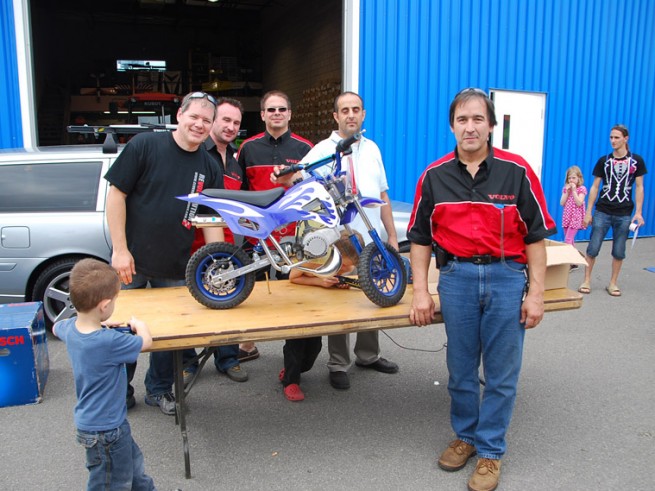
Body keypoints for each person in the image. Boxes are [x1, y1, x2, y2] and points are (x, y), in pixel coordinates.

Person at [407, 88, 556, 491]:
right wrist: (421, 291)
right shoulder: (434, 176)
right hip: (456, 279)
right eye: (462, 120)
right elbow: (419, 239)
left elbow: (536, 238)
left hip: (507, 277)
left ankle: (490, 451)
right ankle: (466, 436)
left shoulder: (517, 171)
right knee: (460, 370)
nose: (469, 127)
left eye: (477, 119)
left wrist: (536, 294)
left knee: (502, 373)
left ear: (491, 126)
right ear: (452, 126)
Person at [105, 91, 224, 415]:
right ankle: (119, 393)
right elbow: (116, 195)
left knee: (169, 336)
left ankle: (158, 390)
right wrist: (120, 250)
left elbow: (211, 221)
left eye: (206, 120)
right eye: (194, 116)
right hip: (131, 262)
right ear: (180, 115)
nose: (199, 124)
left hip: (175, 266)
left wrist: (215, 268)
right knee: (121, 330)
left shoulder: (209, 166)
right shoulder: (145, 145)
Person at [274, 91, 399, 391]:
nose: (351, 115)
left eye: (356, 109)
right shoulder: (321, 150)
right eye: (345, 110)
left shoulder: (373, 148)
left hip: (371, 237)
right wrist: (283, 177)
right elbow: (295, 180)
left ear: (363, 114)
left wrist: (392, 235)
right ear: (336, 116)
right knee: (341, 298)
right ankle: (338, 363)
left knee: (374, 294)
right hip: (339, 239)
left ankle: (368, 355)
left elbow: (382, 194)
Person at [53, 258, 156, 491]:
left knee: (134, 471)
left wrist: (101, 325)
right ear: (105, 305)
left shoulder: (71, 329)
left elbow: (55, 328)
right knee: (112, 484)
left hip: (103, 424)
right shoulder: (109, 341)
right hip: (107, 430)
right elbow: (145, 342)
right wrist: (139, 325)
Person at [235, 90, 313, 362]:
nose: (276, 114)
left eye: (281, 109)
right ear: (262, 115)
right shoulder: (248, 148)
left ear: (289, 114)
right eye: (271, 110)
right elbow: (239, 189)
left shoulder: (305, 148)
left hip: (292, 237)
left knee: (293, 294)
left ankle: (292, 360)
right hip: (255, 235)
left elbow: (312, 189)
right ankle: (248, 345)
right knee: (250, 291)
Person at [280, 231, 363, 402]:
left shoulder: (348, 266)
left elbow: (341, 277)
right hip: (297, 302)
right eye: (341, 265)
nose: (344, 269)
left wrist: (340, 283)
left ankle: (293, 370)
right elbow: (293, 278)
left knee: (314, 348)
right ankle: (291, 381)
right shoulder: (316, 258)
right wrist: (319, 281)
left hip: (317, 307)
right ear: (333, 254)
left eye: (348, 267)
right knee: (296, 345)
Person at [202, 97, 248, 383]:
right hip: (196, 246)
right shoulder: (197, 151)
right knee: (193, 307)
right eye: (226, 120)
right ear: (213, 120)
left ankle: (228, 359)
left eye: (236, 123)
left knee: (229, 302)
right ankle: (189, 362)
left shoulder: (235, 160)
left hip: (228, 246)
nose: (231, 127)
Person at [578, 124, 647, 297]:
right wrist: (588, 212)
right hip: (602, 210)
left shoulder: (636, 161)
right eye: (611, 137)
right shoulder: (604, 161)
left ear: (625, 138)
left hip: (624, 213)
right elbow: (595, 187)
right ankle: (586, 280)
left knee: (619, 250)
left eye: (616, 137)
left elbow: (639, 187)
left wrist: (638, 212)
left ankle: (613, 283)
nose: (613, 141)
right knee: (593, 247)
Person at [559, 165, 587, 246]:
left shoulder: (581, 189)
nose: (571, 180)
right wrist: (567, 192)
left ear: (579, 178)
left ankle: (567, 253)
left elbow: (579, 203)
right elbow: (562, 203)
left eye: (573, 178)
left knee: (567, 240)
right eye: (569, 178)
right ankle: (573, 253)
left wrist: (574, 191)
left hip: (575, 217)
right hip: (567, 216)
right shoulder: (566, 189)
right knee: (569, 240)